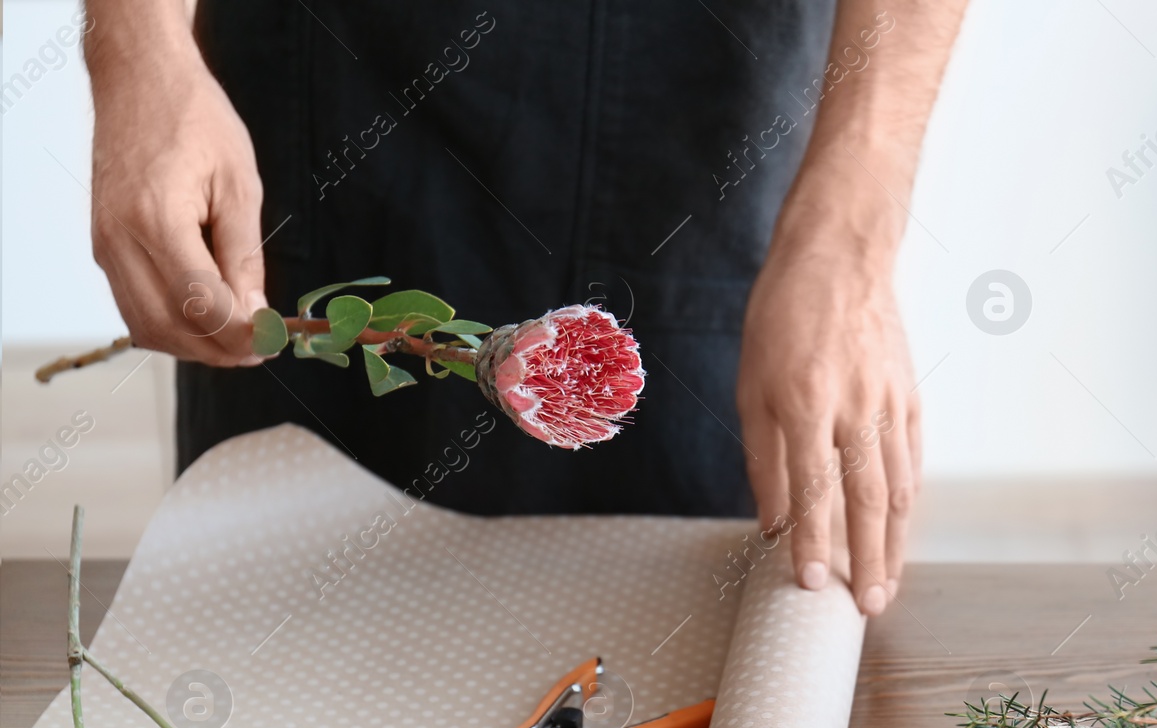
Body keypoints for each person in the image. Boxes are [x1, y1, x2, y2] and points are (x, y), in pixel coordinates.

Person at [82, 0, 967, 617]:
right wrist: (137, 48)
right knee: (262, 659)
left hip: (698, 134)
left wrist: (848, 233)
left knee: (703, 681)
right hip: (326, 96)